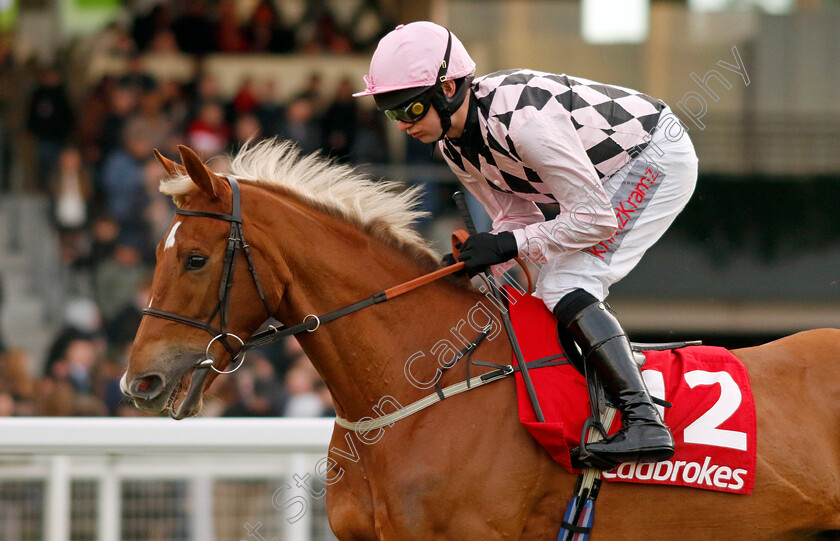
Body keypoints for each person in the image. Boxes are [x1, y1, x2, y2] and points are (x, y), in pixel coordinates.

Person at [353, 21, 698, 467]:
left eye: (413, 108)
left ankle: (644, 419)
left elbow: (594, 219)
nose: (404, 125)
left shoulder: (524, 122)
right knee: (542, 289)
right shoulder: (454, 147)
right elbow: (517, 218)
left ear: (451, 86)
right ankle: (586, 406)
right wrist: (480, 261)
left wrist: (507, 245)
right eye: (392, 113)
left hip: (655, 155)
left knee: (566, 283)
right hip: (604, 181)